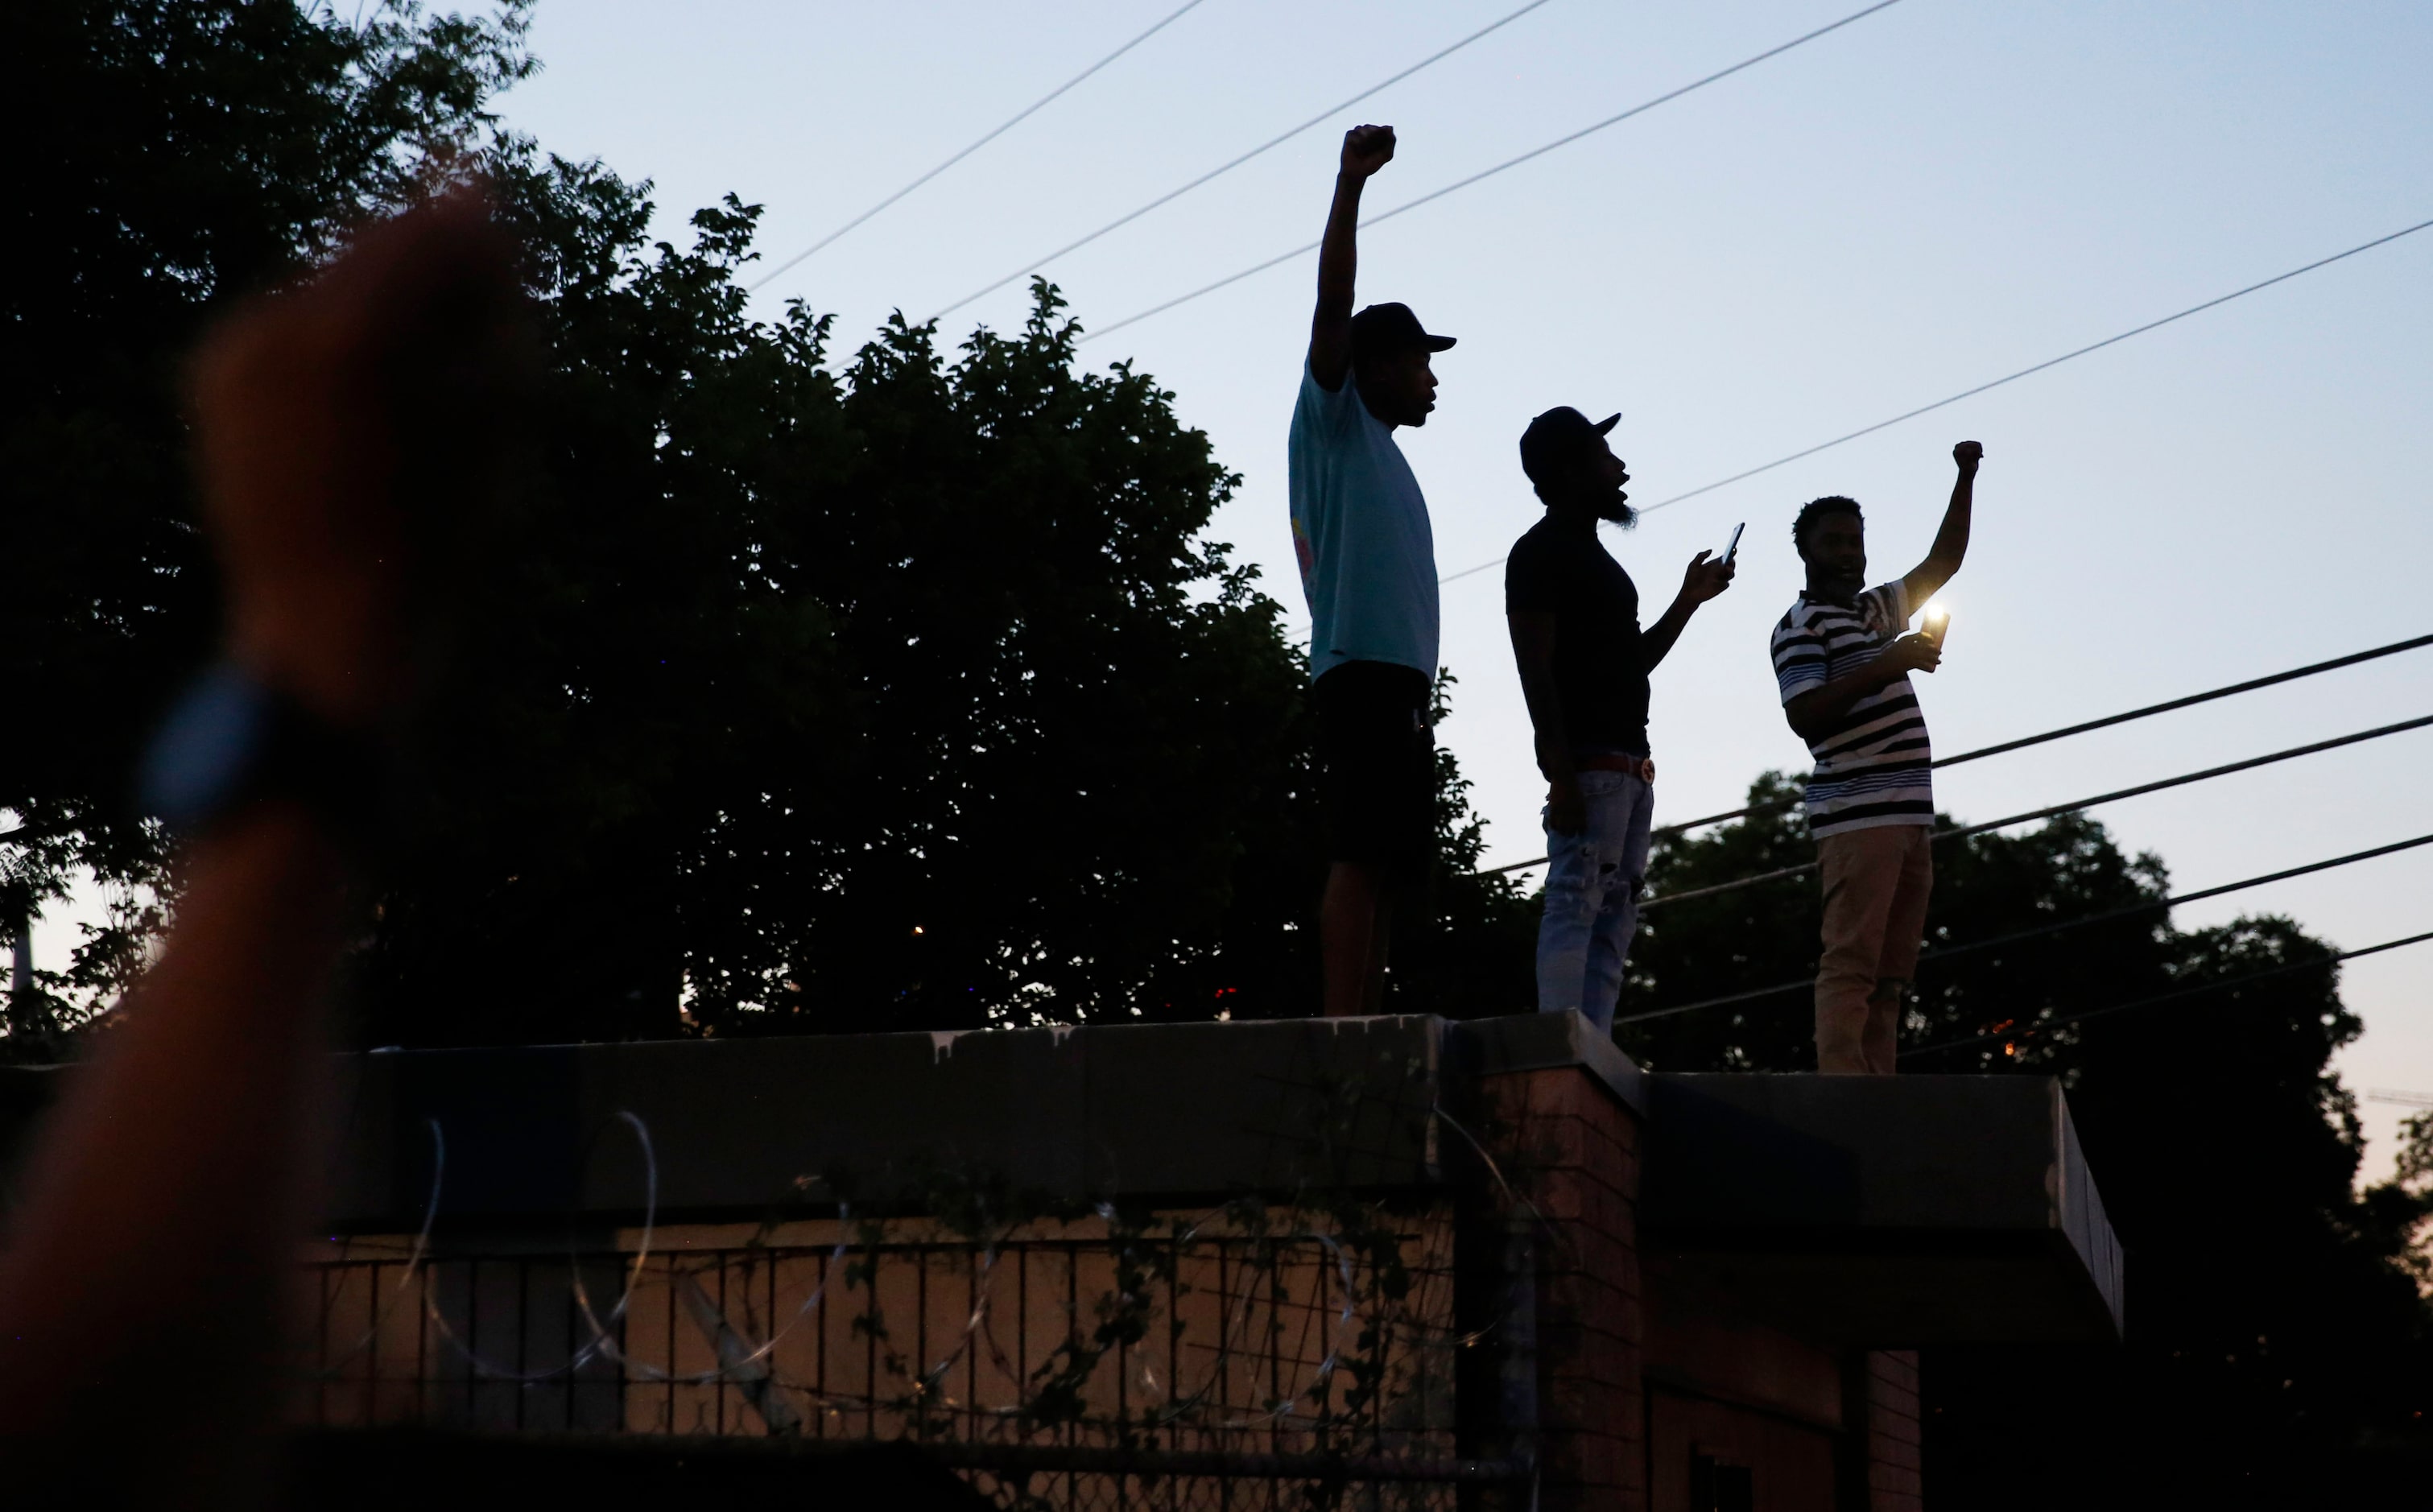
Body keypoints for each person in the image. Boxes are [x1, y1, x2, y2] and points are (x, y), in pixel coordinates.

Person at [1287, 123, 1456, 1017]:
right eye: (1423, 361)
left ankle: (1371, 1015)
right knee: (1359, 851)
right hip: (1356, 672)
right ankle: (1342, 1024)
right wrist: (1351, 184)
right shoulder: (1335, 418)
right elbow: (1332, 300)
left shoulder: (1386, 455)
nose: (1434, 379)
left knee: (1392, 860)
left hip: (1396, 686)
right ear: (1377, 364)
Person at [1506, 407, 1734, 1033]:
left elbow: (1632, 665)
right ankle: (1562, 1045)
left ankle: (1592, 1049)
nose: (1621, 469)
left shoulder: (1592, 560)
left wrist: (1688, 601)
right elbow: (1536, 672)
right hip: (1592, 768)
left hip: (1628, 769)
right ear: (1572, 470)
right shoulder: (1539, 552)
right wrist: (1560, 775)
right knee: (1578, 905)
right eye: (1606, 458)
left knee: (1615, 915)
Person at [1768, 441, 1984, 1074]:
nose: (1849, 552)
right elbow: (1804, 715)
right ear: (1806, 552)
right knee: (1853, 964)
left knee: (1891, 977)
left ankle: (1877, 1089)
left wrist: (1965, 476)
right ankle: (1844, 1091)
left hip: (1911, 817)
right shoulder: (1799, 625)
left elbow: (1945, 561)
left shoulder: (1873, 611)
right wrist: (1888, 663)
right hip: (1859, 817)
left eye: (1855, 540)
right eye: (1834, 541)